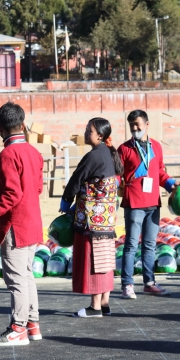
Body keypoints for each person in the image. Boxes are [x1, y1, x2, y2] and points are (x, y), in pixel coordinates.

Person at [0, 102, 44, 346]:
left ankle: (18, 329)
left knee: (16, 281)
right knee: (26, 276)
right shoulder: (34, 153)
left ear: (1, 129)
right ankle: (32, 325)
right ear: (22, 125)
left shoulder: (7, 155)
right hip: (33, 222)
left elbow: (10, 196)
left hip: (15, 226)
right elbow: (38, 188)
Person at [60, 118, 123, 317]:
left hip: (91, 220)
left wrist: (66, 200)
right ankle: (105, 303)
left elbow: (76, 179)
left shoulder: (94, 156)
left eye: (90, 130)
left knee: (94, 260)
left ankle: (95, 307)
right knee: (104, 259)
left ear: (100, 135)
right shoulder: (108, 154)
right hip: (106, 221)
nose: (86, 132)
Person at [118, 110, 179, 299]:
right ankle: (127, 284)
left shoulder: (157, 147)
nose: (135, 128)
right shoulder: (124, 149)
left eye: (137, 124)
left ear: (147, 124)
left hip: (153, 203)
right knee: (130, 245)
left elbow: (160, 172)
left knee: (150, 245)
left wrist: (171, 185)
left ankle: (149, 283)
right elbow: (117, 175)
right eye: (131, 125)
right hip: (134, 203)